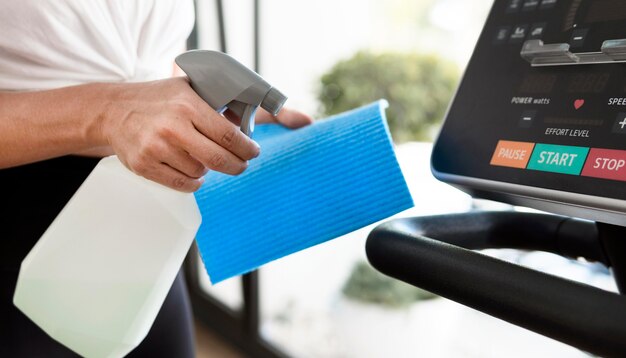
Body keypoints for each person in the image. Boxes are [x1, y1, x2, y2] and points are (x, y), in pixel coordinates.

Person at [0, 1, 312, 356]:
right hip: (26, 222)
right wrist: (107, 111)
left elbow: (152, 55)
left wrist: (202, 113)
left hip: (146, 220)